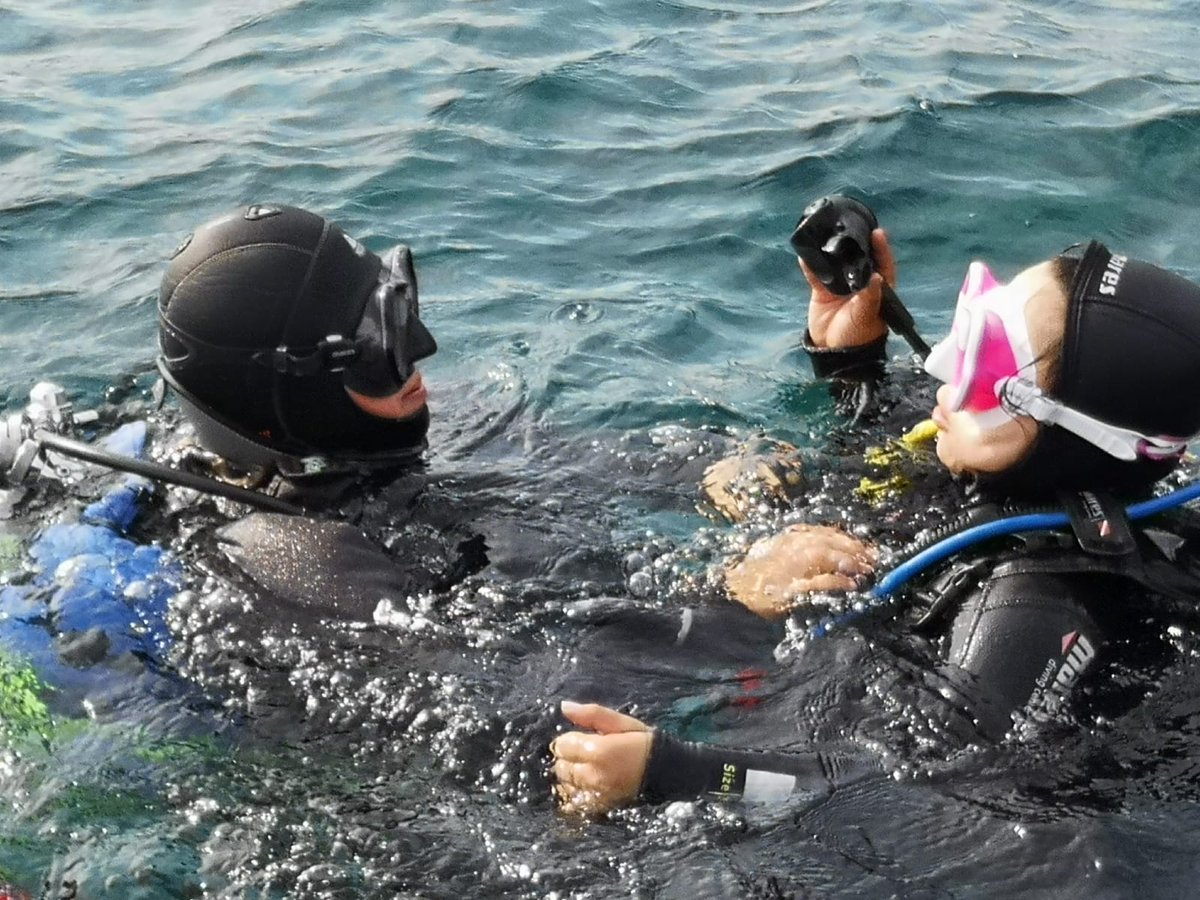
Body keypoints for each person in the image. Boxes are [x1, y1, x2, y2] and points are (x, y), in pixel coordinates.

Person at [550, 218, 1200, 815]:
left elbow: (893, 796)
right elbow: (908, 467)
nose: (945, 373)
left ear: (1071, 435)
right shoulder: (1023, 467)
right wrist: (850, 363)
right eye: (974, 326)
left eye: (987, 364)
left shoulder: (1039, 607)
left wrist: (674, 771)